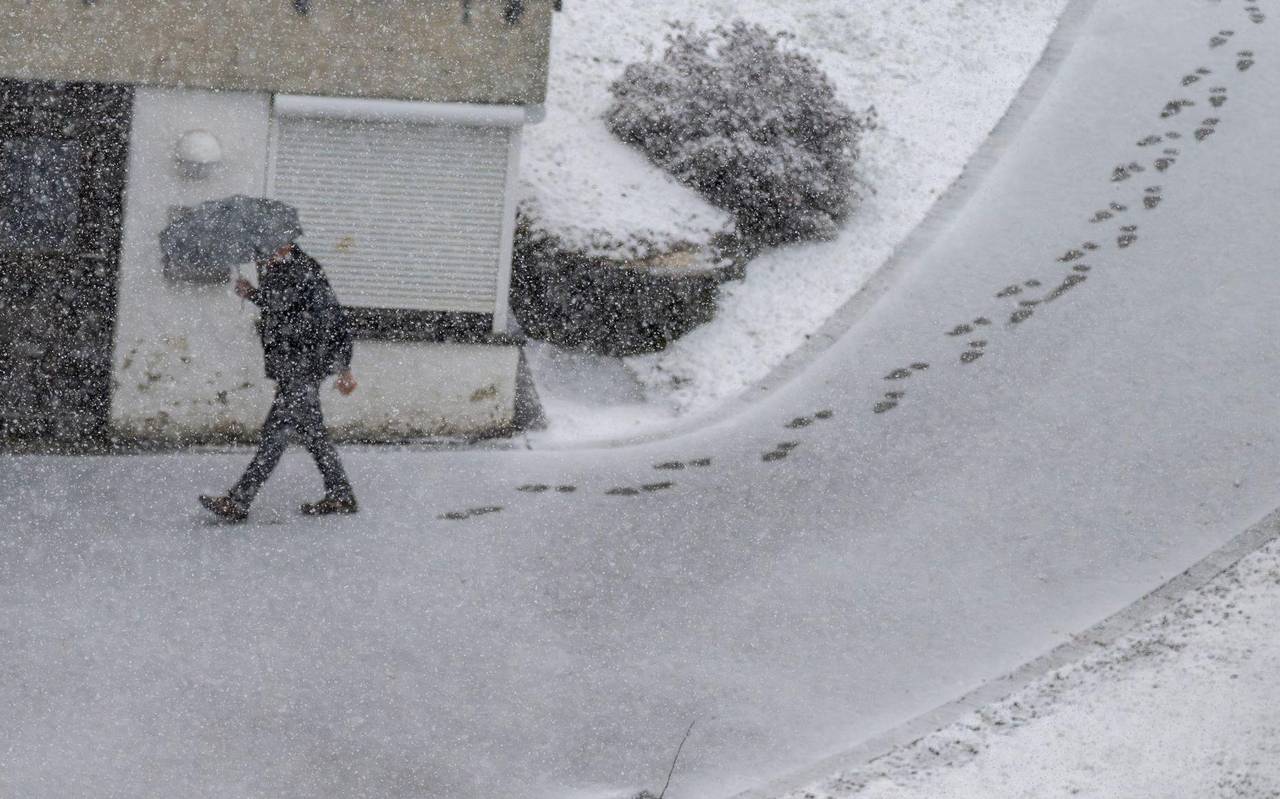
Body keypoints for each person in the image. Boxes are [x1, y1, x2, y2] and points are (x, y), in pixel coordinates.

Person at [199, 241, 359, 522]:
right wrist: (254, 294)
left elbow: (323, 318)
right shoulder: (291, 271)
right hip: (295, 367)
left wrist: (343, 367)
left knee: (277, 433)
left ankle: (239, 500)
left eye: (271, 250)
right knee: (313, 435)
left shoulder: (300, 271)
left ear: (286, 246)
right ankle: (341, 494)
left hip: (303, 366)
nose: (266, 257)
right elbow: (288, 308)